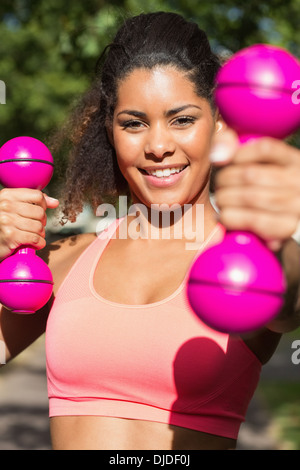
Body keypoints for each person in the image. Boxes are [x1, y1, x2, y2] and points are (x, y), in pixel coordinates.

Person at [0, 11, 300, 451]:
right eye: (133, 123)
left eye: (182, 119)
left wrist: (273, 240)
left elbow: (290, 297)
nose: (158, 146)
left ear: (218, 122)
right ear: (110, 130)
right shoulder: (66, 257)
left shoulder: (250, 262)